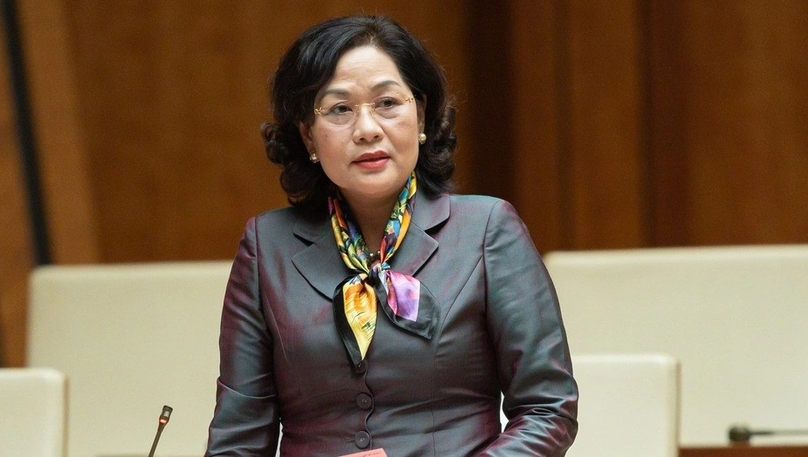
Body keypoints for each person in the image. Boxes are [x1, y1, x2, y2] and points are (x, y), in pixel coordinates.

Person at [205, 15, 577, 456]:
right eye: (339, 109)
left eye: (386, 103)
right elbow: (239, 438)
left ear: (420, 113)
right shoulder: (267, 246)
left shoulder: (487, 230)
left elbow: (548, 409)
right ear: (307, 134)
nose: (367, 129)